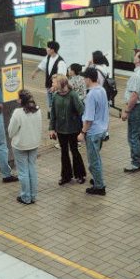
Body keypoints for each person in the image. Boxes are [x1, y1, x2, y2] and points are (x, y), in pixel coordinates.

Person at [50, 75, 86, 185]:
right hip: (61, 129)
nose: (52, 84)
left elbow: (82, 110)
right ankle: (66, 176)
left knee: (74, 151)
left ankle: (80, 174)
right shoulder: (55, 96)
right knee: (64, 152)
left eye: (54, 82)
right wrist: (51, 128)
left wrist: (82, 128)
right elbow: (53, 113)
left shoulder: (73, 95)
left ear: (62, 83)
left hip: (73, 129)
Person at [78, 67, 109, 195]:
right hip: (102, 129)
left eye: (84, 78)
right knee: (97, 157)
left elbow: (89, 119)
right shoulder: (101, 89)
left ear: (89, 79)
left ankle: (99, 187)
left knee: (93, 161)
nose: (83, 80)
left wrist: (82, 133)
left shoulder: (91, 95)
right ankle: (97, 180)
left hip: (93, 132)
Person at [8, 90, 42, 205]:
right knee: (32, 168)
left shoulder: (18, 113)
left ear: (21, 100)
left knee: (23, 172)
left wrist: (12, 136)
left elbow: (11, 131)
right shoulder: (38, 110)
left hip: (20, 145)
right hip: (34, 143)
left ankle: (25, 197)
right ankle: (33, 196)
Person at [31, 40, 67, 117]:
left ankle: (56, 118)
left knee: (56, 104)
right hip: (49, 86)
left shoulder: (60, 62)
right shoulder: (48, 57)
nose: (46, 49)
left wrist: (54, 87)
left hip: (57, 89)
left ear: (52, 50)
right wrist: (35, 72)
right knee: (50, 104)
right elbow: (42, 65)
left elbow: (61, 77)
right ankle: (52, 118)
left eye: (48, 48)